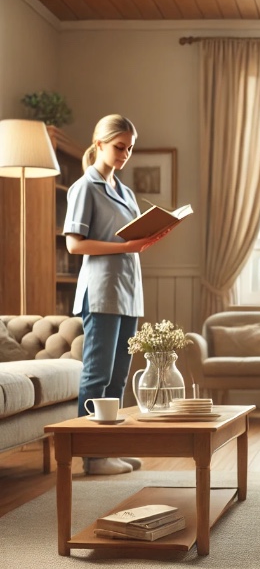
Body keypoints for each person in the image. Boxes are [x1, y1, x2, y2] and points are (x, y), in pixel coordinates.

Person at [63, 114, 160, 476]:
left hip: (128, 291)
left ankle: (109, 450)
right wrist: (130, 245)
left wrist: (145, 240)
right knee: (97, 373)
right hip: (101, 291)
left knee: (119, 374)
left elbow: (128, 241)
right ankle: (92, 454)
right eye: (120, 146)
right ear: (100, 143)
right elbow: (75, 245)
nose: (125, 154)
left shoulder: (126, 191)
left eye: (130, 148)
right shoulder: (84, 187)